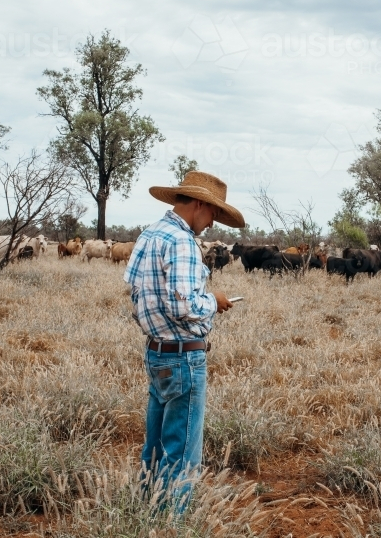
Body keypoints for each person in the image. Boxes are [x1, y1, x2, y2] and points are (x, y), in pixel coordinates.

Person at [123, 171, 245, 512]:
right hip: (183, 358)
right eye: (213, 215)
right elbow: (185, 305)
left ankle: (146, 513)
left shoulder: (149, 235)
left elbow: (134, 291)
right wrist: (214, 300)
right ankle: (171, 524)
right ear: (199, 204)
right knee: (181, 451)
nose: (210, 224)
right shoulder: (181, 242)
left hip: (155, 351)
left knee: (157, 445)